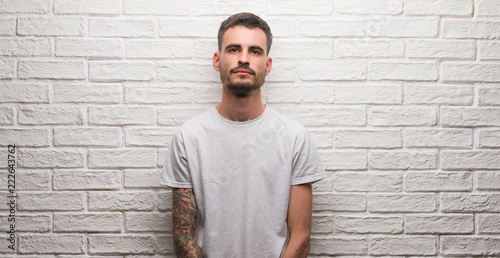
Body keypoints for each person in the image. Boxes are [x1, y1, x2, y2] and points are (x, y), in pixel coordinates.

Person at [161, 12, 326, 258]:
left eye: (255, 51)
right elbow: (183, 237)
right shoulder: (189, 138)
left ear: (267, 65)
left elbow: (300, 239)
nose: (244, 59)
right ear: (217, 60)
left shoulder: (295, 138)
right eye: (234, 49)